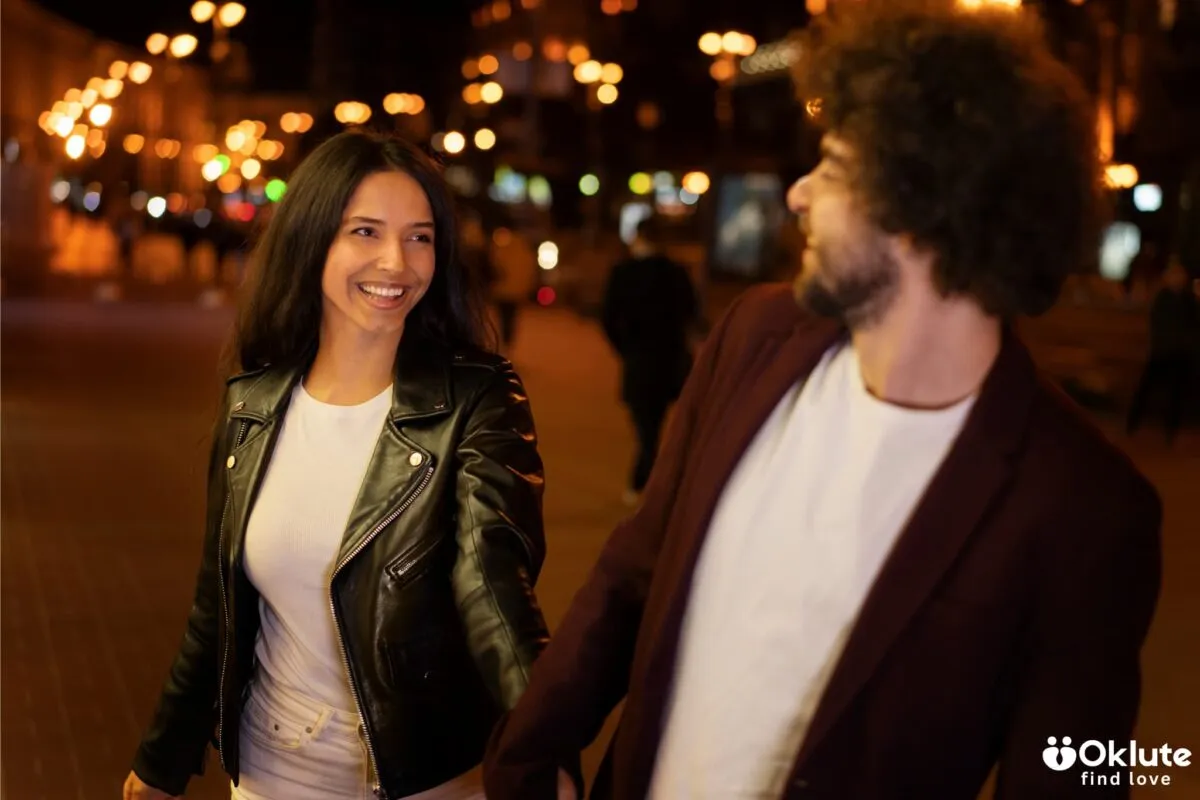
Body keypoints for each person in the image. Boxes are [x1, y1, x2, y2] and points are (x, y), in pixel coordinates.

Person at [483, 4, 1162, 799]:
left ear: (922, 207)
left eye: (833, 168)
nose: (799, 195)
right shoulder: (755, 338)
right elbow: (633, 572)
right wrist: (528, 758)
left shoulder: (1087, 510)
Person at [124, 130, 556, 800]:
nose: (396, 262)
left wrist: (544, 749)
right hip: (270, 777)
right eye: (365, 232)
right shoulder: (253, 405)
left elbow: (493, 590)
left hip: (425, 782)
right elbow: (217, 608)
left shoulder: (477, 399)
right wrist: (160, 761)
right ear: (313, 239)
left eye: (419, 237)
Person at [601, 216, 699, 504]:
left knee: (646, 428)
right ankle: (651, 480)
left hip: (639, 361)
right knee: (655, 425)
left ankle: (643, 480)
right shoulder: (676, 272)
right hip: (669, 360)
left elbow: (608, 318)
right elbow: (691, 312)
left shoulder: (623, 272)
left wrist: (624, 347)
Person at [1126, 258, 1198, 442]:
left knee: (1176, 395)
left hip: (1180, 354)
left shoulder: (1188, 300)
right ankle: (1132, 425)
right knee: (1146, 389)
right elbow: (1158, 324)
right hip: (1162, 351)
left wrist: (1186, 346)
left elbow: (1193, 325)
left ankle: (1170, 432)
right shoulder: (1163, 298)